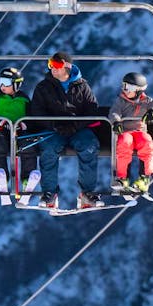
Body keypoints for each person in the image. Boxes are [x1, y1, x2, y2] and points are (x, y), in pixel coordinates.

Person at [31, 51, 102, 209]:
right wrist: (54, 125)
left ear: (67, 67)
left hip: (78, 128)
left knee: (89, 146)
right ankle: (49, 193)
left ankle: (87, 193)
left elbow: (92, 110)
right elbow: (36, 111)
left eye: (56, 65)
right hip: (54, 129)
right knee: (48, 149)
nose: (52, 69)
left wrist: (75, 125)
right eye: (50, 65)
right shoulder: (43, 87)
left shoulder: (82, 86)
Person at [0, 67, 41, 203]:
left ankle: (28, 180)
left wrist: (26, 124)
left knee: (28, 145)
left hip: (20, 131)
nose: (2, 86)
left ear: (16, 84)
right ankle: (1, 178)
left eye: (6, 83)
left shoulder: (24, 100)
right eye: (0, 82)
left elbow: (32, 117)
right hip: (0, 130)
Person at [109, 72, 153, 196]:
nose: (125, 90)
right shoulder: (121, 100)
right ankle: (122, 178)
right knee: (124, 143)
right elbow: (114, 112)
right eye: (123, 86)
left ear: (138, 90)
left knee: (148, 144)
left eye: (128, 87)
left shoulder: (146, 101)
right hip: (125, 131)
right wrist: (116, 122)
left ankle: (144, 178)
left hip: (140, 132)